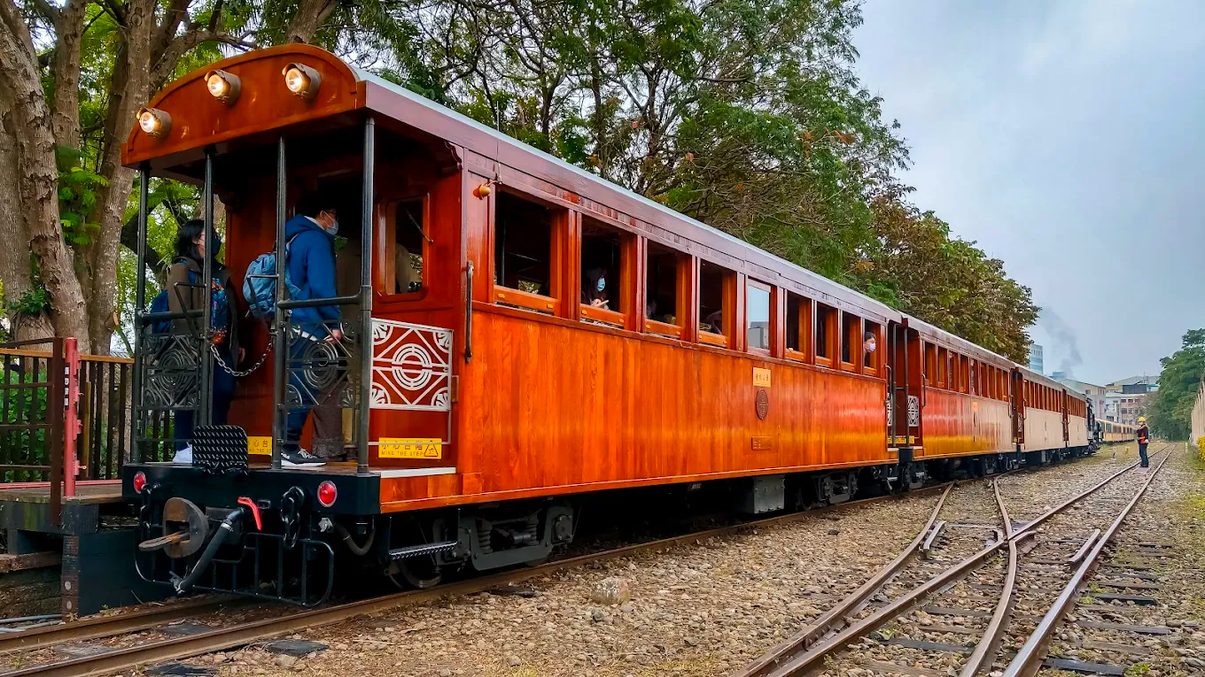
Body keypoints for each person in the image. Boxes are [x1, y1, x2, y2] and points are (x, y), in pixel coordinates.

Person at [166, 220, 243, 464]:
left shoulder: (221, 271)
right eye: (206, 235)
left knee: (223, 390)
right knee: (187, 392)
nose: (214, 239)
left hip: (222, 345)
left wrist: (236, 342)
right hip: (192, 344)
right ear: (193, 239)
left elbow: (232, 310)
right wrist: (188, 342)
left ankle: (213, 442)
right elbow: (179, 310)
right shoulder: (182, 268)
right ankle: (183, 446)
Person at [280, 197, 345, 467]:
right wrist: (334, 322)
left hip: (290, 321)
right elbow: (321, 287)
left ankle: (285, 446)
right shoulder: (316, 240)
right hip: (310, 323)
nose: (335, 222)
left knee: (295, 382)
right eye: (333, 215)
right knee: (307, 384)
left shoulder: (291, 238)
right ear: (323, 213)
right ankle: (289, 448)